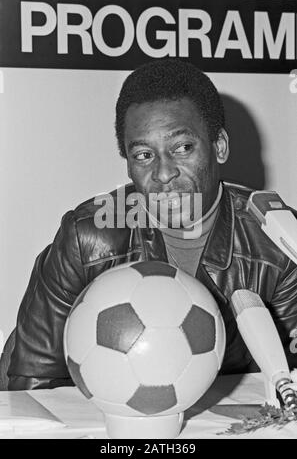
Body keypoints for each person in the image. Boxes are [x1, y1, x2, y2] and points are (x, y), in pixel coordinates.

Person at [7, 59, 297, 391]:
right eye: (144, 154)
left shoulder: (275, 240)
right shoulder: (86, 238)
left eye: (183, 148)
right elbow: (33, 384)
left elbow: (288, 385)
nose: (163, 173)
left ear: (219, 146)